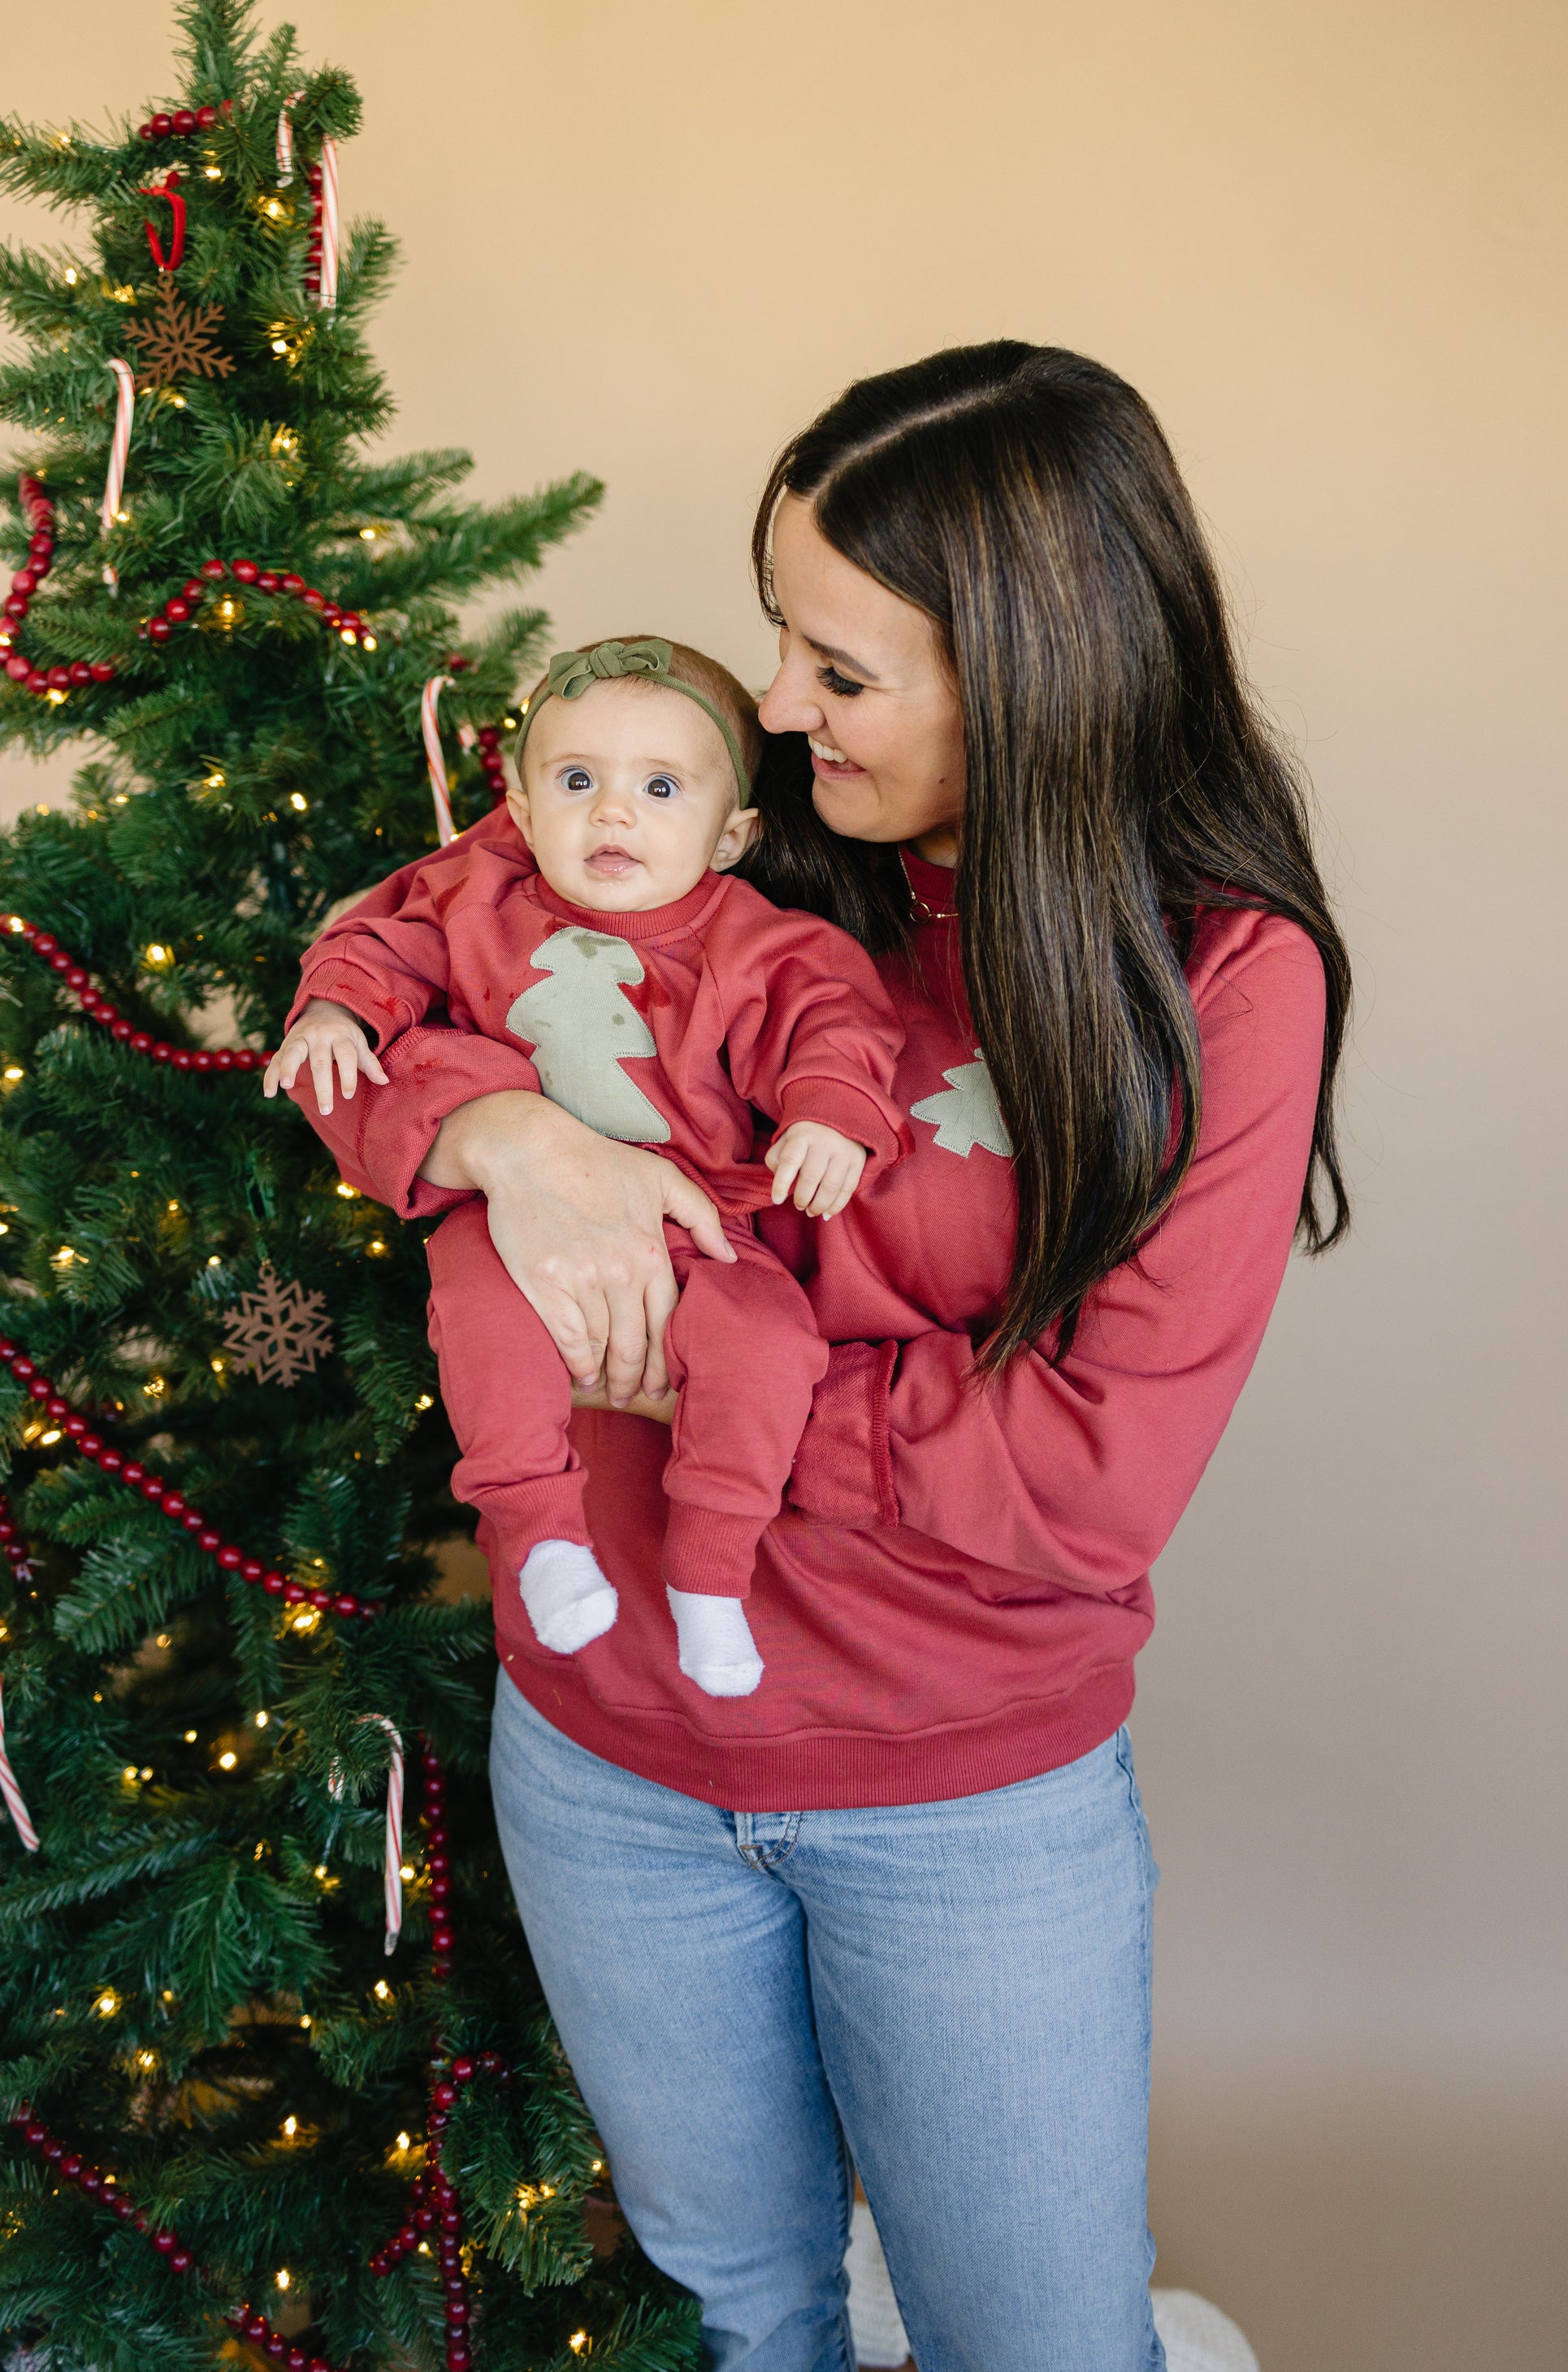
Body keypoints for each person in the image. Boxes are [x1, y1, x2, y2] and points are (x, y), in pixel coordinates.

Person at [290, 342, 1350, 2372]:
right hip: (605, 1745)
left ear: (1027, 677)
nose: (767, 703)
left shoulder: (1217, 971)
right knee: (732, 2314)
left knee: (1032, 2340)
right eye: (776, 633)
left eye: (836, 669)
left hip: (960, 1794)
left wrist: (675, 1370)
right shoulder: (743, 846)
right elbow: (403, 982)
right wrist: (504, 1139)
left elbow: (1086, 1477)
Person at [266, 636, 908, 1698]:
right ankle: (540, 1532)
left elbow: (832, 1023)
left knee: (768, 1345)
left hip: (701, 1217)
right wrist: (337, 1010)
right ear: (521, 812)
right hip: (508, 1214)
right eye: (576, 781)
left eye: (659, 787)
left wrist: (829, 1117)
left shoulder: (759, 943)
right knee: (483, 1322)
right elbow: (382, 942)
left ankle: (711, 1568)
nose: (613, 813)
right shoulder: (476, 894)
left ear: (731, 833)